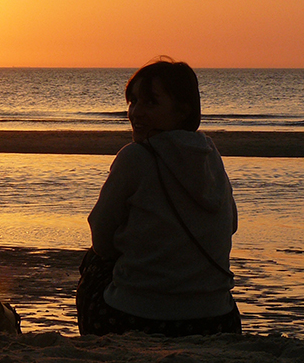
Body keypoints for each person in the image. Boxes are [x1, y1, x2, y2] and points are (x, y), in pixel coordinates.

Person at [77, 58, 241, 337]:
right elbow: (232, 225)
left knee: (92, 263)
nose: (136, 113)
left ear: (183, 110)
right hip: (217, 319)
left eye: (150, 103)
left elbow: (101, 237)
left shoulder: (135, 157)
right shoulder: (210, 155)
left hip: (138, 317)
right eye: (133, 102)